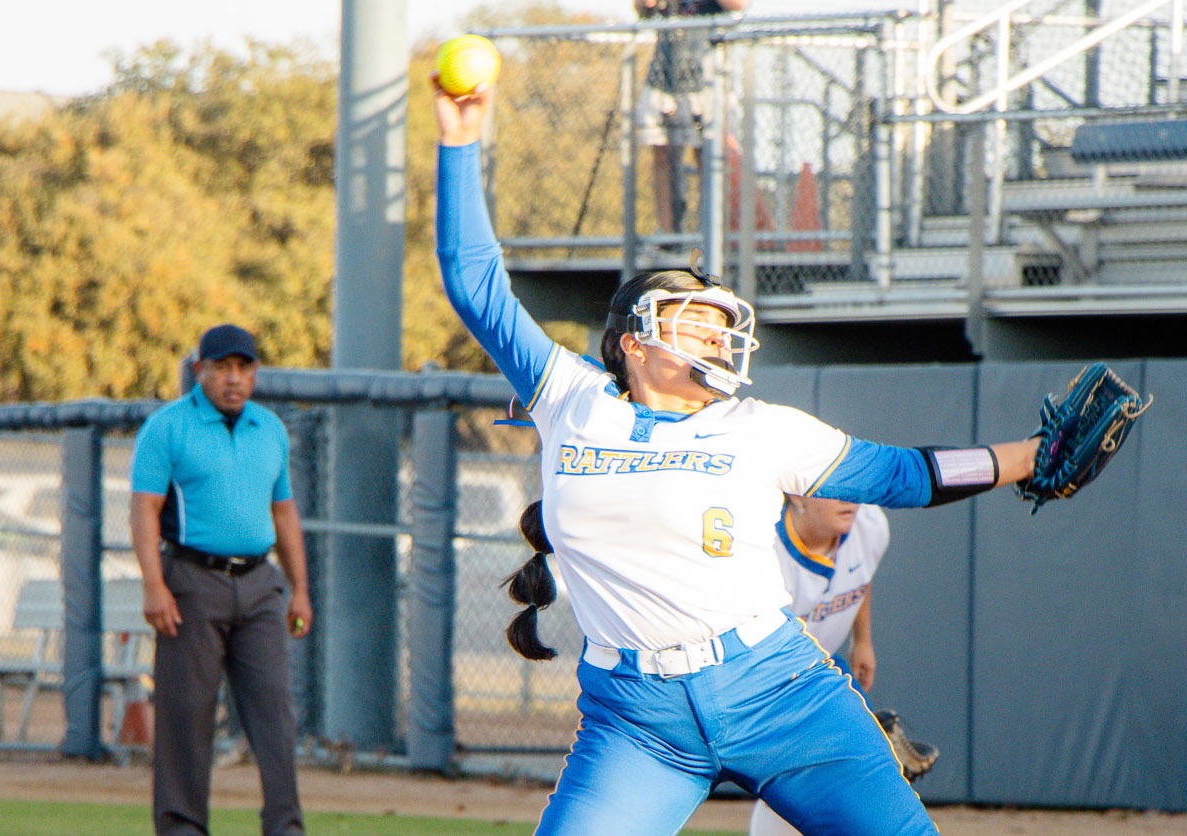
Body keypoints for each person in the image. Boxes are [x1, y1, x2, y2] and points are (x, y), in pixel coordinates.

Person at [434, 83, 1040, 835]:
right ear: (633, 341)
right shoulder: (570, 397)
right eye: (698, 324)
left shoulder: (760, 427)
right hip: (638, 721)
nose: (719, 339)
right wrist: (460, 142)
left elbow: (899, 475)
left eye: (725, 329)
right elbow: (472, 281)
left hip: (776, 689)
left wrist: (1025, 458)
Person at [130, 323, 312, 836]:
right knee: (185, 718)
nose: (233, 379)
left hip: (259, 586)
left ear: (254, 373)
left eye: (243, 368)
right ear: (199, 371)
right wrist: (153, 584)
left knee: (275, 716)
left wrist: (299, 588)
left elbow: (284, 512)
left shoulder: (270, 429)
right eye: (221, 368)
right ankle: (183, 827)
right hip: (191, 583)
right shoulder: (167, 428)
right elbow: (145, 509)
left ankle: (285, 827)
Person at [747, 495, 940, 836]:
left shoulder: (870, 524)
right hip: (760, 684)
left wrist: (862, 640)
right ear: (796, 493)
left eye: (852, 484)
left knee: (802, 788)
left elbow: (858, 575)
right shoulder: (763, 549)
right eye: (834, 488)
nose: (849, 497)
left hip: (815, 672)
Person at [635, 0, 748, 237]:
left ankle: (708, 234)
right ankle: (667, 233)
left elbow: (739, 4)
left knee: (708, 154)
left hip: (706, 77)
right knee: (661, 153)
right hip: (665, 76)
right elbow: (644, 10)